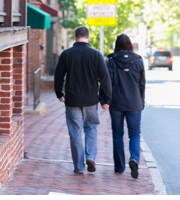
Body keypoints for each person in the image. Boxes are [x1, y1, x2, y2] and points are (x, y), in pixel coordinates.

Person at [54, 27, 112, 174]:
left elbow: (58, 75)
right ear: (88, 37)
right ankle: (91, 156)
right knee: (91, 128)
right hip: (91, 100)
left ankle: (79, 167)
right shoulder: (96, 55)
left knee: (75, 132)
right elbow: (105, 78)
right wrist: (106, 99)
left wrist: (59, 92)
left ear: (75, 37)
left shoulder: (66, 54)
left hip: (72, 100)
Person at [106, 34, 145, 179]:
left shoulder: (112, 61)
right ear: (130, 45)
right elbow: (142, 84)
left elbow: (107, 84)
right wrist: (142, 101)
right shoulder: (138, 61)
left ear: (117, 45)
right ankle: (134, 159)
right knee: (134, 134)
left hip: (116, 103)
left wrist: (106, 100)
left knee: (117, 134)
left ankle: (119, 167)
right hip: (134, 103)